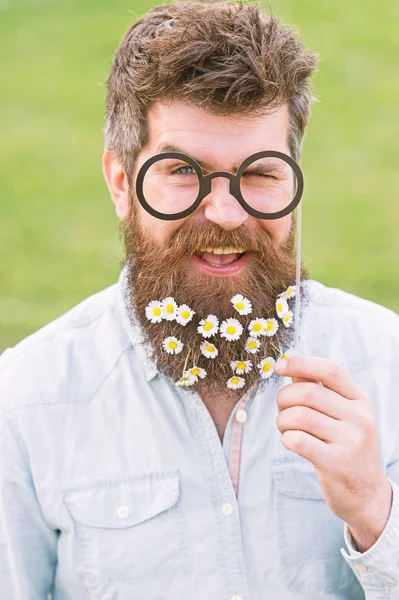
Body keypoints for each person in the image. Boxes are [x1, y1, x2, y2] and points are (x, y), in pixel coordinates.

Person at [1, 2, 398, 598]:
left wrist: (374, 511)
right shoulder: (27, 403)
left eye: (261, 173)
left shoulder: (387, 365)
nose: (225, 213)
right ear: (120, 183)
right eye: (183, 171)